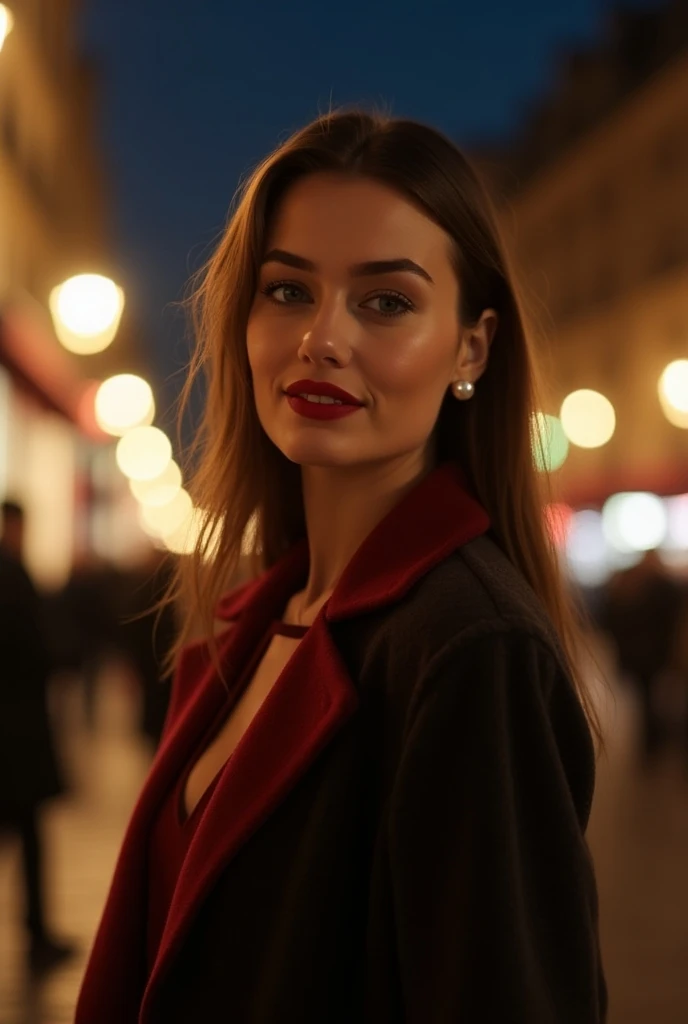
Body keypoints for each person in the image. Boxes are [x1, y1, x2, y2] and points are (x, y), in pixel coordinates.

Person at [77, 110, 607, 1022]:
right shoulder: (260, 621)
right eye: (288, 291)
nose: (322, 337)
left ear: (472, 347)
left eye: (386, 302)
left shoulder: (472, 650)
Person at [0, 500, 75, 972]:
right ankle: (37, 934)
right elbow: (30, 645)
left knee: (25, 831)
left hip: (15, 729)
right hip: (15, 730)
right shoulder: (10, 575)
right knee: (25, 830)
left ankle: (38, 931)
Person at [600, 548, 683, 765]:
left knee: (647, 700)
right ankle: (656, 743)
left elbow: (609, 622)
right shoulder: (664, 587)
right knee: (657, 700)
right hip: (657, 655)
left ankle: (651, 745)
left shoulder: (624, 587)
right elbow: (672, 624)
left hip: (636, 656)